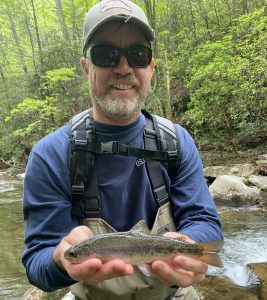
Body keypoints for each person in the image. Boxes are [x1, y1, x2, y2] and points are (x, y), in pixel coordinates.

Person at [22, 0, 223, 299]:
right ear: (86, 67)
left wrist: (189, 244)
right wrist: (60, 260)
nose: (123, 67)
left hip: (171, 293)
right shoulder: (50, 154)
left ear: (151, 67)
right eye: (107, 55)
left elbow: (205, 222)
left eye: (138, 55)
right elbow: (37, 262)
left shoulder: (177, 141)